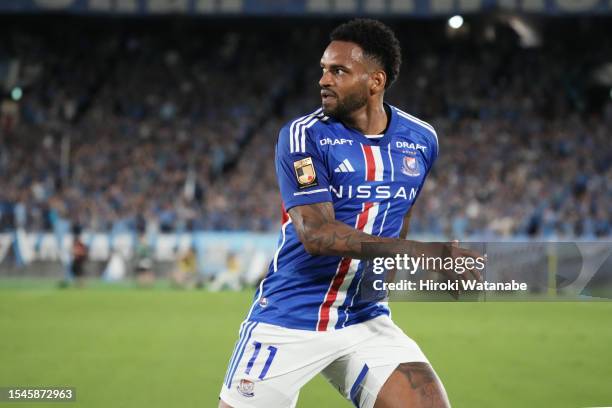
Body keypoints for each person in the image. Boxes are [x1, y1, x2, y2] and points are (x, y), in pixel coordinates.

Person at [219, 19, 481, 408]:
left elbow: (399, 217)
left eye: (338, 71)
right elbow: (318, 235)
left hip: (364, 316)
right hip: (290, 315)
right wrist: (423, 255)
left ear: (375, 82)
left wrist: (426, 273)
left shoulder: (421, 140)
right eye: (324, 69)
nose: (324, 80)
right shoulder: (304, 136)